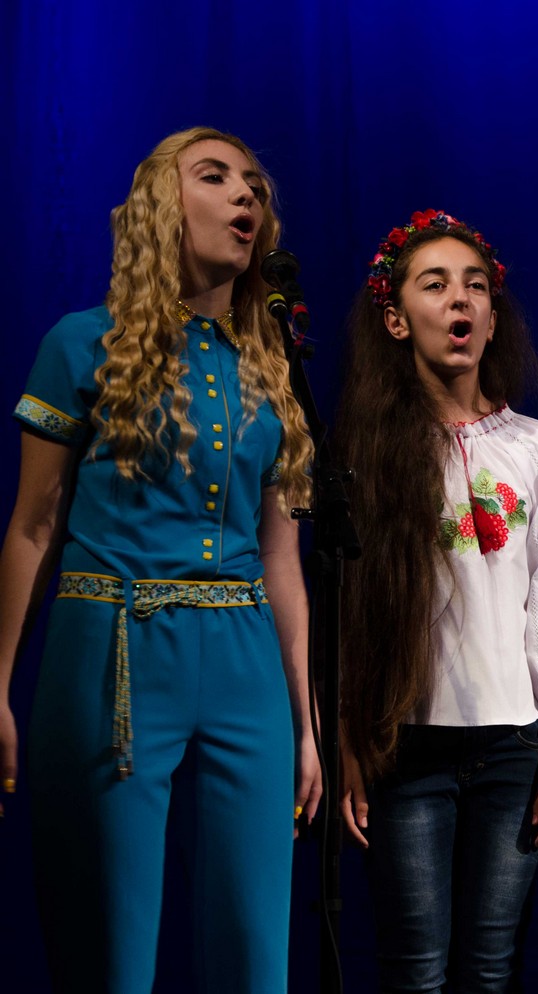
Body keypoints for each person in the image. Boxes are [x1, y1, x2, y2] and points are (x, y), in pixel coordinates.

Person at [0, 127, 320, 992]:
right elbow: (32, 527)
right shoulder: (82, 343)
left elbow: (282, 558)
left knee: (256, 951)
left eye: (254, 184)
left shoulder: (271, 370)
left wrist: (306, 724)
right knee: (111, 945)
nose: (244, 195)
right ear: (158, 206)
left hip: (247, 660)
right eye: (214, 177)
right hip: (116, 646)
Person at [335, 209, 538, 992]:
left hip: (512, 745)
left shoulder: (533, 445)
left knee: (490, 969)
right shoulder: (364, 449)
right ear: (395, 317)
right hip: (404, 743)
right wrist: (346, 735)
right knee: (416, 970)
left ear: (492, 315)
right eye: (435, 285)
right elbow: (342, 610)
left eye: (475, 286)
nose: (460, 300)